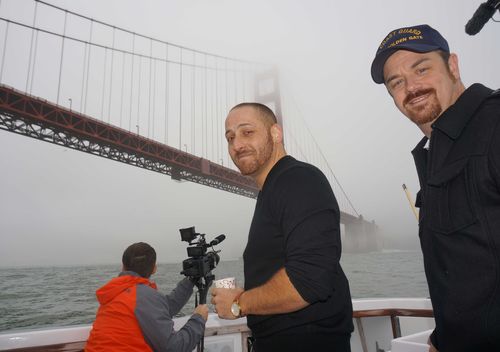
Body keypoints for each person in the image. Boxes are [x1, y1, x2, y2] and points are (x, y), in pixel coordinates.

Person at [371, 24, 500, 352]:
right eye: (396, 82)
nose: (411, 87)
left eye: (422, 68)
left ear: (453, 66)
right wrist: (443, 338)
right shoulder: (437, 152)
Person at [211, 102, 353, 352]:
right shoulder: (273, 189)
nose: (236, 145)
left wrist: (239, 303)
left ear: (276, 133)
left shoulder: (299, 179)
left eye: (247, 132)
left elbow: (308, 282)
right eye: (230, 137)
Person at [85, 242, 208, 352]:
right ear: (154, 268)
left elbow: (165, 308)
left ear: (123, 266)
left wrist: (190, 280)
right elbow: (174, 347)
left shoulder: (115, 292)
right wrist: (199, 319)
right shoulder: (143, 296)